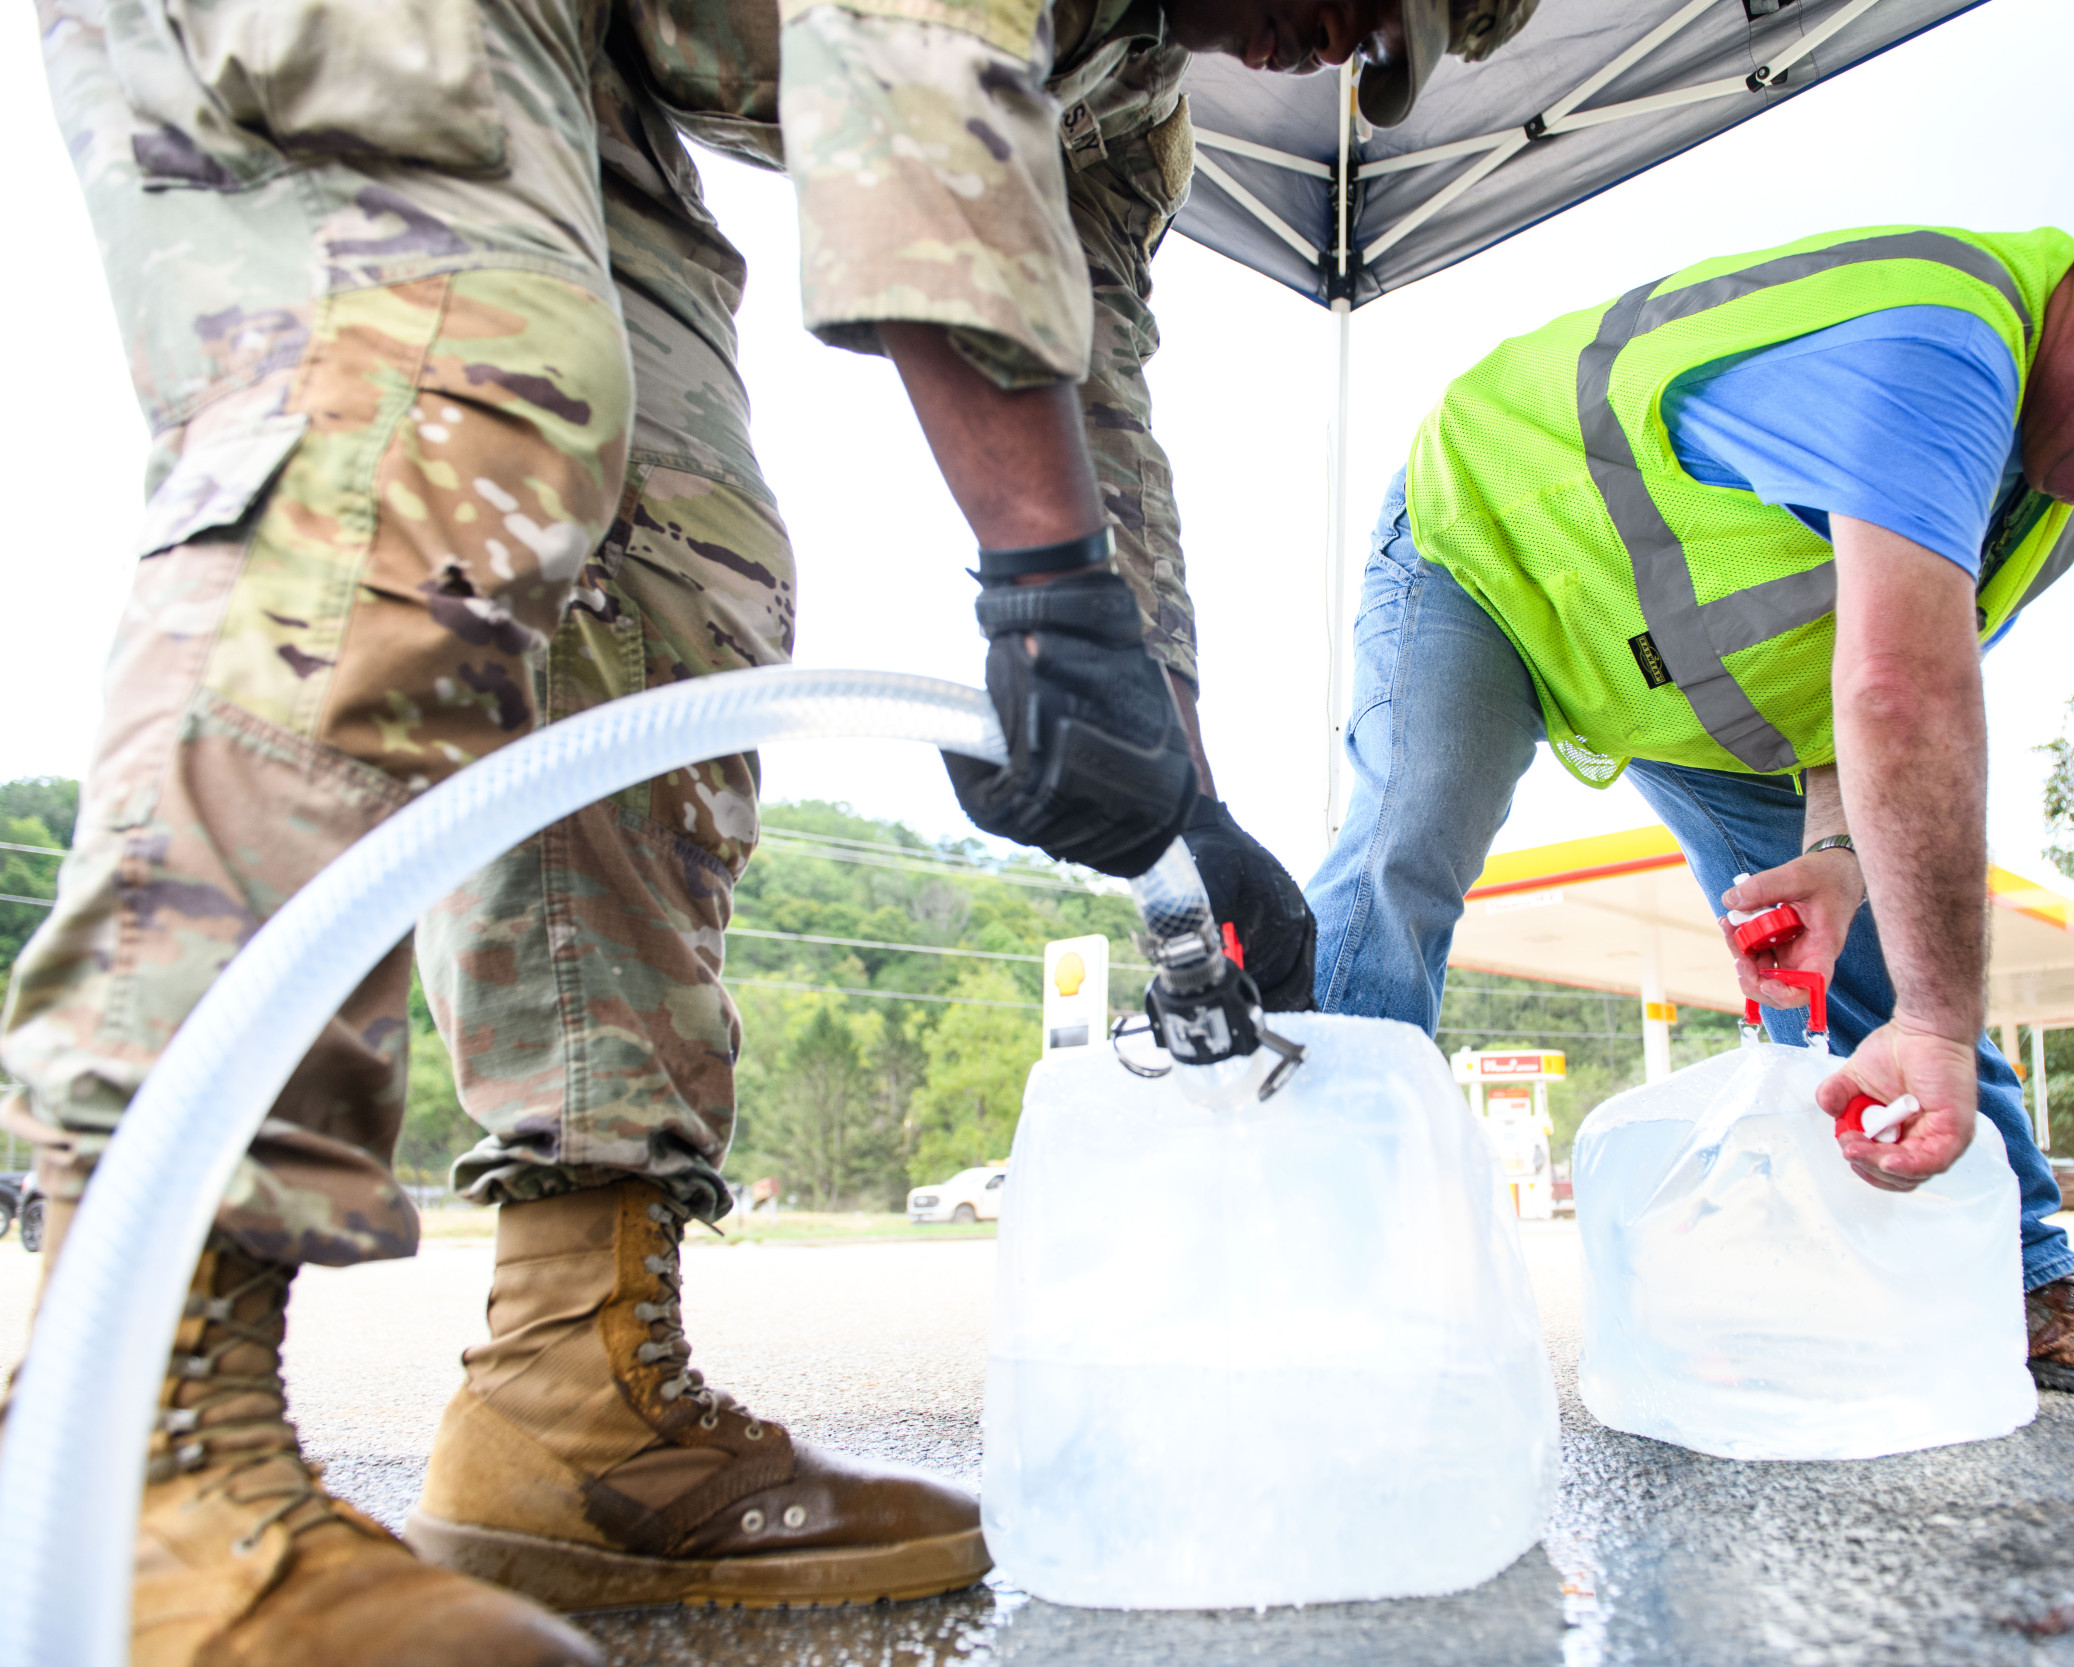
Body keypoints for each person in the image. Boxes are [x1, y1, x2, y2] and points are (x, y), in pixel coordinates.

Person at [4, 1, 1536, 1662]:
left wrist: (1172, 785)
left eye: (1385, 46)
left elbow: (1088, 389)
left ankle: (568, 1386)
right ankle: (138, 1427)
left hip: (578, 51)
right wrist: (1038, 576)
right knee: (461, 385)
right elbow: (912, 77)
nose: (1335, 51)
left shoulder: (1130, 89)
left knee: (672, 581)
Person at [1308, 188, 2074, 1401]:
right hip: (1491, 547)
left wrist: (1841, 855)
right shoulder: (1934, 342)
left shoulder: (2055, 507)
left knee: (1876, 943)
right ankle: (1322, 1267)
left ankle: (2020, 1272)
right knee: (1406, 845)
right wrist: (1943, 1030)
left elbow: (1856, 706)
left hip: (1682, 685)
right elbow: (1902, 695)